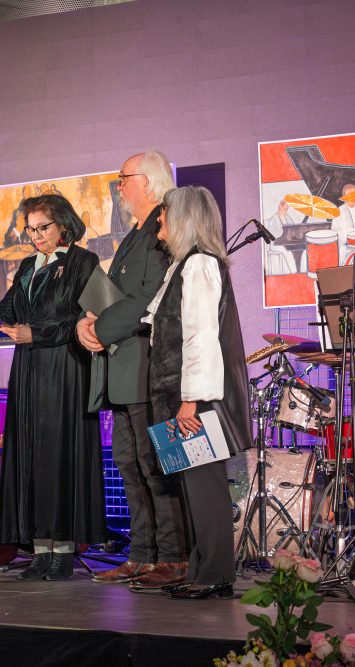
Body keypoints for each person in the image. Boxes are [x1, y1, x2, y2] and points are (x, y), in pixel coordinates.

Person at [76, 151, 190, 593]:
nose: (118, 186)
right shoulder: (133, 235)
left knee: (155, 463)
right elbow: (112, 293)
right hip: (122, 368)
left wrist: (101, 329)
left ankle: (173, 557)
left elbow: (149, 296)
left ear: (148, 181)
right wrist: (85, 321)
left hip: (147, 366)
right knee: (128, 463)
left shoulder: (164, 228)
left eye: (124, 178)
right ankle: (142, 555)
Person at [144, 186, 253, 600]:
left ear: (184, 217)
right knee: (192, 486)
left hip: (194, 399)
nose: (159, 219)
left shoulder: (200, 264)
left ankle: (215, 573)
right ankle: (203, 569)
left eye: (164, 212)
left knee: (205, 486)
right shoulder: (184, 265)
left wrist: (190, 401)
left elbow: (201, 337)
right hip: (183, 396)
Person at [0, 193, 106, 581]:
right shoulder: (27, 266)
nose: (36, 235)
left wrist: (36, 334)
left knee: (60, 455)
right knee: (31, 454)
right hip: (28, 369)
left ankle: (64, 551)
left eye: (43, 227)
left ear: (64, 225)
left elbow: (85, 320)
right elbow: (7, 312)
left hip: (65, 368)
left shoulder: (83, 261)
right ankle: (40, 549)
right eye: (30, 229)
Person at [264, 199, 303, 274]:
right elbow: (270, 235)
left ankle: (300, 271)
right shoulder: (273, 219)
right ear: (280, 207)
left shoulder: (287, 217)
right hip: (275, 244)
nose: (286, 211)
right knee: (287, 251)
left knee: (298, 249)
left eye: (287, 209)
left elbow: (293, 228)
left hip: (287, 242)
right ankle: (293, 272)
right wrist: (283, 231)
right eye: (285, 208)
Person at [331, 183, 355, 263]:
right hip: (345, 249)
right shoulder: (339, 212)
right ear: (344, 197)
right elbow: (335, 232)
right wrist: (351, 233)